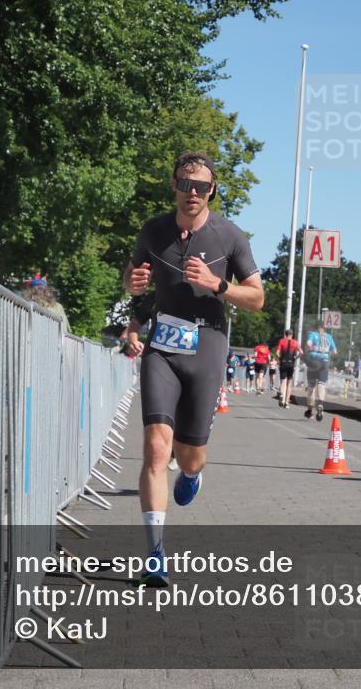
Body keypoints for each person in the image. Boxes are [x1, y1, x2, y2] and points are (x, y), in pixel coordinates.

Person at [122, 151, 264, 586]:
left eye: (201, 186)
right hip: (162, 346)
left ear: (212, 191)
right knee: (155, 448)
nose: (193, 193)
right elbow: (135, 279)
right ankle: (155, 554)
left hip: (207, 344)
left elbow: (257, 299)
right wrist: (132, 290)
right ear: (174, 186)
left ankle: (192, 474)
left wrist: (219, 285)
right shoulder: (154, 230)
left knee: (189, 456)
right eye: (186, 184)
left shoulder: (230, 237)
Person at [304, 320, 337, 421]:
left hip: (313, 362)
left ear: (317, 327)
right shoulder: (329, 337)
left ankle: (310, 410)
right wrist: (326, 354)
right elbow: (335, 351)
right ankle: (321, 404)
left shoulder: (313, 334)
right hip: (324, 362)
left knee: (311, 387)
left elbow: (308, 344)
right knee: (322, 385)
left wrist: (307, 351)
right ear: (324, 328)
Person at [275, 329, 301, 409]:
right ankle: (286, 403)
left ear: (285, 335)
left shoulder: (282, 341)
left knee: (283, 381)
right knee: (289, 383)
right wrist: (295, 358)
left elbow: (277, 353)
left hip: (283, 362)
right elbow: (301, 352)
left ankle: (282, 394)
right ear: (292, 335)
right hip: (291, 363)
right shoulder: (295, 342)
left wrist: (280, 358)